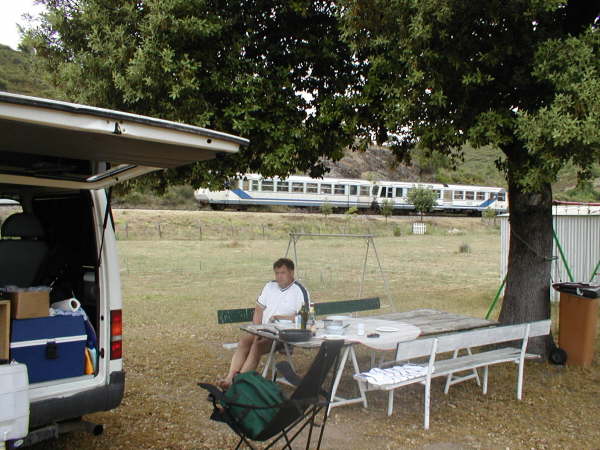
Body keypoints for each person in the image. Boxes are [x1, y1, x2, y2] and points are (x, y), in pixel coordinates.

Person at [218, 258, 309, 389]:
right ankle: (230, 377)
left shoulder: (299, 290)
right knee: (244, 341)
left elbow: (304, 317)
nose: (279, 276)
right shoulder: (269, 286)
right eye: (277, 273)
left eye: (283, 273)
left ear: (291, 272)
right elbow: (258, 310)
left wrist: (279, 317)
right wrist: (256, 330)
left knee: (257, 346)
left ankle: (238, 382)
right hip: (263, 330)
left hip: (282, 335)